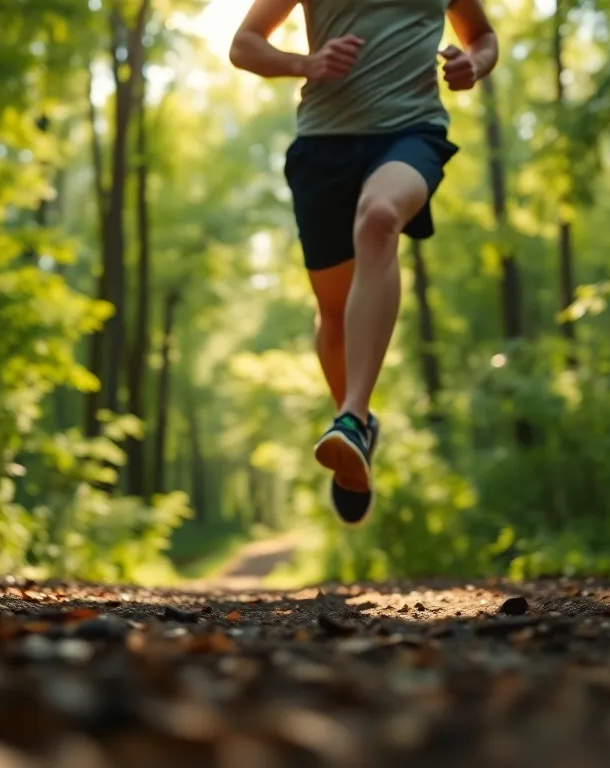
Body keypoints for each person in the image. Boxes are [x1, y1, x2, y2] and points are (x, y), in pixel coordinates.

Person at [229, 0, 498, 524]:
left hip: (411, 132)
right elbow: (244, 45)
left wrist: (475, 64)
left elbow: (481, 35)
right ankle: (355, 423)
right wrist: (303, 64)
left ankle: (351, 415)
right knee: (333, 314)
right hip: (324, 145)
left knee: (379, 219)